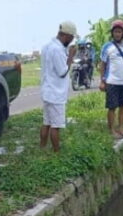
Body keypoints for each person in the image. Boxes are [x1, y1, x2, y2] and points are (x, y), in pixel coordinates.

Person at [40, 21, 77, 153]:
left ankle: (42, 148)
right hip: (56, 93)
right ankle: (57, 153)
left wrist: (68, 54)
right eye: (71, 37)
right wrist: (71, 57)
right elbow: (62, 72)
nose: (72, 40)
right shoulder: (57, 50)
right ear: (66, 35)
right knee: (56, 126)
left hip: (47, 91)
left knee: (47, 123)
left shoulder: (47, 46)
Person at [99, 20, 123, 139]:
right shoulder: (107, 47)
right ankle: (111, 129)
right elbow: (102, 65)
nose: (117, 34)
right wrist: (102, 80)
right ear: (112, 33)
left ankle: (122, 127)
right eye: (115, 32)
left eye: (119, 32)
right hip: (112, 82)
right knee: (112, 107)